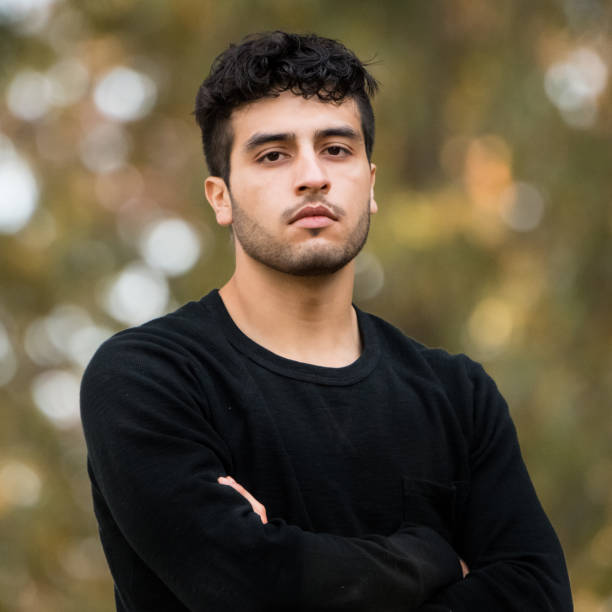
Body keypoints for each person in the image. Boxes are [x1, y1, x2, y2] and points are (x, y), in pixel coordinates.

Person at [80, 31, 573, 611]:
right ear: (221, 197)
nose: (312, 175)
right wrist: (432, 556)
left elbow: (537, 594)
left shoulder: (458, 396)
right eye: (273, 154)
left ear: (371, 183)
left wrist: (295, 562)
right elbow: (250, 588)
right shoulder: (148, 378)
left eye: (336, 149)